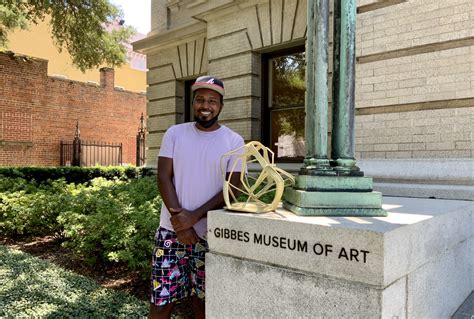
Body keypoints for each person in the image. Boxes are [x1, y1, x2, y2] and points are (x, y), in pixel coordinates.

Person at [149, 76, 244, 319]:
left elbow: (232, 189)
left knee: (205, 303)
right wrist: (180, 222)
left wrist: (193, 218)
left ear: (221, 106)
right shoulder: (175, 133)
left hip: (211, 234)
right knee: (161, 303)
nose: (206, 105)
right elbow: (163, 177)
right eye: (200, 99)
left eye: (212, 100)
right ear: (193, 103)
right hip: (171, 232)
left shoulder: (234, 141)